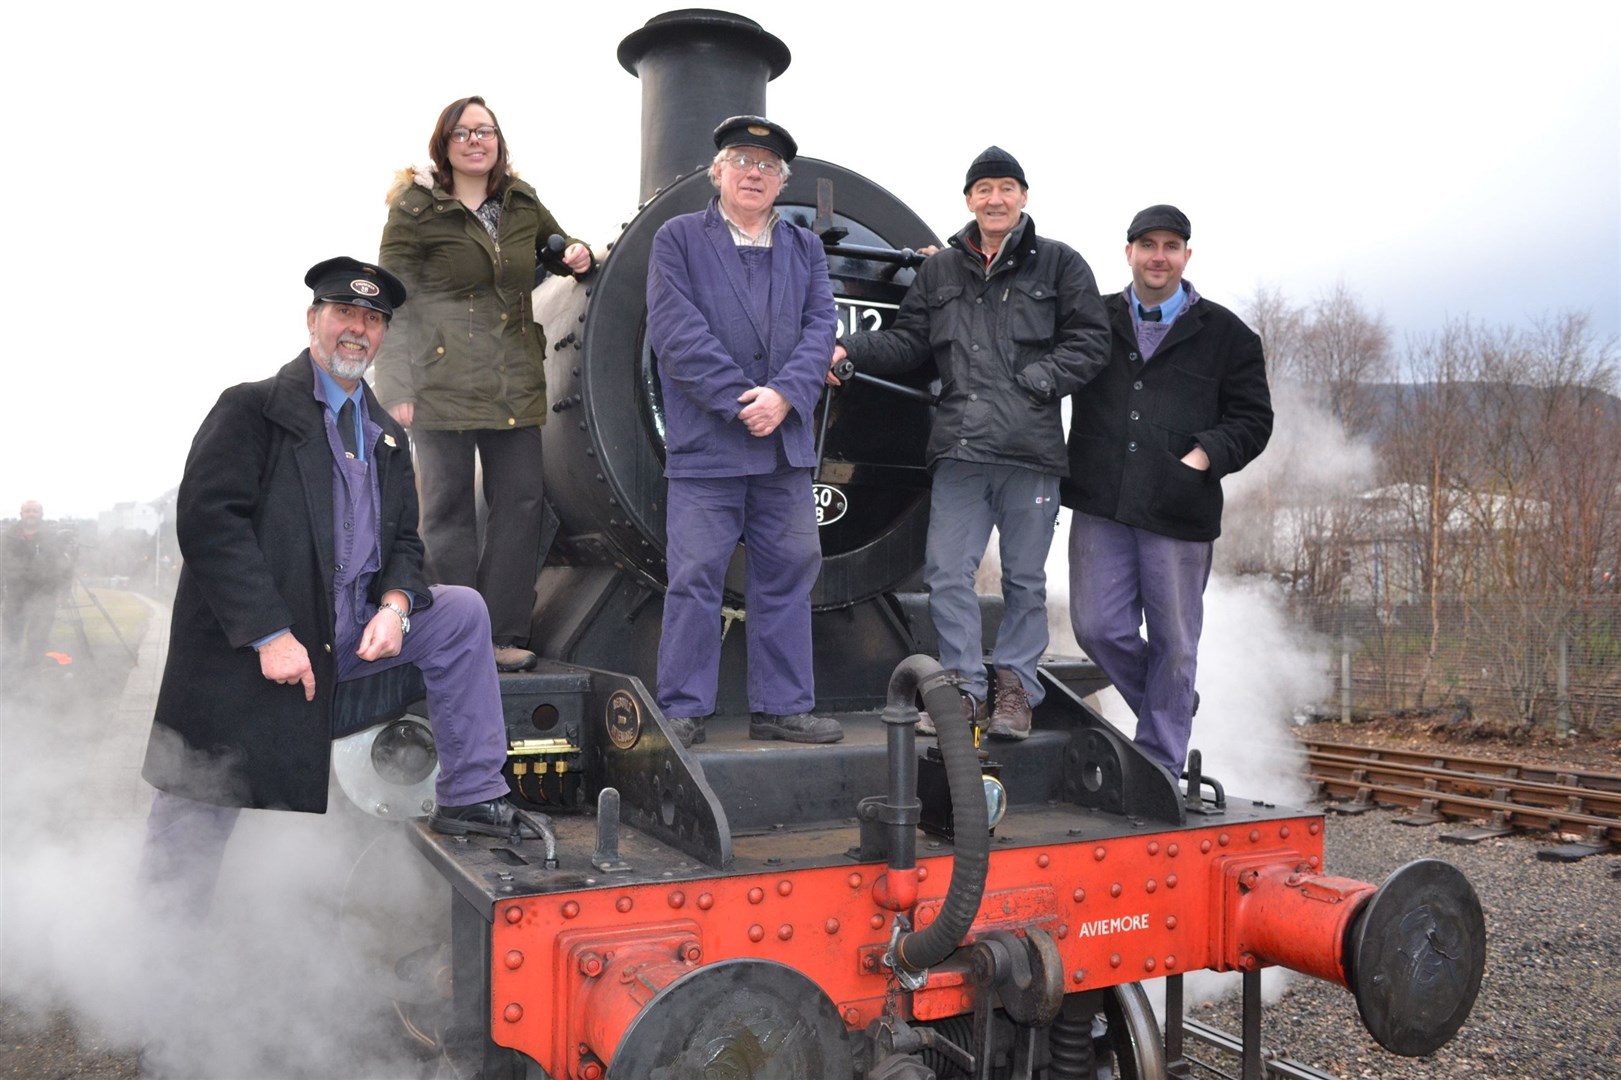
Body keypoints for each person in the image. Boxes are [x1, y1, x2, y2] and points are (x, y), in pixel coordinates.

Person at [139, 257, 545, 921]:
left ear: (382, 334)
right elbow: (211, 524)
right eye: (343, 314)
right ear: (313, 322)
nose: (357, 329)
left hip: (348, 635)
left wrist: (394, 604)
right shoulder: (250, 409)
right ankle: (155, 960)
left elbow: (406, 544)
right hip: (255, 647)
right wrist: (269, 633)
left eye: (372, 319)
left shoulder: (387, 434)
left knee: (462, 612)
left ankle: (471, 793)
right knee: (198, 803)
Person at [830, 147, 1109, 739]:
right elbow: (908, 343)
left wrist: (1036, 382)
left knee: (1024, 580)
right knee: (948, 575)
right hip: (959, 452)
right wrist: (848, 348)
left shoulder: (1061, 265)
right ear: (969, 201)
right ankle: (960, 688)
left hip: (1030, 455)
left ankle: (1015, 689)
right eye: (984, 190)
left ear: (1024, 196)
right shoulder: (941, 272)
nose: (995, 199)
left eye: (1006, 188)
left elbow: (1090, 342)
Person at [373, 96, 593, 674]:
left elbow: (557, 247)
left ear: (499, 141)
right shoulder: (416, 209)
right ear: (443, 144)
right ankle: (454, 633)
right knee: (446, 512)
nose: (476, 140)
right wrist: (395, 383)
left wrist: (576, 253)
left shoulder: (521, 202)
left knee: (520, 503)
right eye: (464, 132)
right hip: (439, 381)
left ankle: (501, 636)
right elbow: (392, 300)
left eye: (486, 131)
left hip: (511, 380)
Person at [644, 115, 843, 748]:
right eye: (742, 160)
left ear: (782, 181)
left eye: (767, 165)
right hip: (709, 448)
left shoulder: (805, 248)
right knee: (696, 574)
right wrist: (742, 402)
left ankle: (782, 707)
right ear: (718, 171)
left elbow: (820, 330)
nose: (754, 172)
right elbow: (676, 334)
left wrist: (785, 396)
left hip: (783, 449)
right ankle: (683, 707)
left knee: (789, 569)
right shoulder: (677, 239)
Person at [1062, 205, 1273, 776]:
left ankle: (1161, 762)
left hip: (1178, 508)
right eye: (1147, 245)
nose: (1159, 256)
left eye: (1171, 246)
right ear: (1128, 252)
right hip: (1101, 502)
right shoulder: (1091, 317)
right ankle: (1172, 702)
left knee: (1175, 644)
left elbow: (1254, 420)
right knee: (1096, 628)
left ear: (1186, 255)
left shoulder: (1229, 335)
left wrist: (1203, 455)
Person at [1, 500, 76, 670]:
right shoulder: (6, 538)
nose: (31, 514)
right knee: (11, 639)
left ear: (41, 514)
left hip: (44, 597)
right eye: (27, 510)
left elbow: (65, 567)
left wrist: (64, 591)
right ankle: (9, 679)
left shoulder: (52, 538)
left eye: (34, 511)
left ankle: (31, 675)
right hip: (15, 598)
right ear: (21, 514)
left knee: (38, 639)